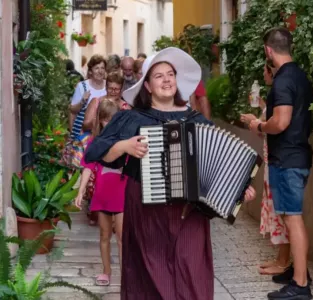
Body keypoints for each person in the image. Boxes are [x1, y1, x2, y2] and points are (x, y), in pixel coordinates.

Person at [84, 47, 256, 299]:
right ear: (148, 87)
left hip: (189, 213)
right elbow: (95, 152)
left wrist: (239, 190)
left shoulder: (197, 121)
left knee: (192, 274)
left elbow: (220, 166)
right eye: (158, 76)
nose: (166, 80)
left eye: (170, 74)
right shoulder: (131, 119)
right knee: (150, 277)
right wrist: (124, 146)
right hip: (146, 211)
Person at [249, 27, 313, 300]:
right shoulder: (300, 76)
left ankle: (300, 286)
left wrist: (259, 125)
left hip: (286, 159)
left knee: (293, 218)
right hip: (296, 155)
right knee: (291, 218)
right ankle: (298, 272)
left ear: (268, 50)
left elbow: (281, 121)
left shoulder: (283, 80)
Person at [241, 62, 290, 276]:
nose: (263, 74)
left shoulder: (281, 92)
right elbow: (267, 125)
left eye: (264, 70)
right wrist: (258, 115)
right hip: (273, 158)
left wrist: (256, 122)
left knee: (282, 212)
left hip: (280, 159)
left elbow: (272, 125)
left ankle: (284, 261)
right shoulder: (274, 95)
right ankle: (281, 258)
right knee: (276, 210)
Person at [75, 99, 127, 287]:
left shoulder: (124, 143)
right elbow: (87, 168)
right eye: (105, 119)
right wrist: (80, 192)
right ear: (100, 121)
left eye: (112, 119)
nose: (109, 123)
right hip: (103, 195)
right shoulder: (95, 143)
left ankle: (125, 275)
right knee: (104, 235)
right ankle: (106, 271)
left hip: (122, 195)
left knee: (122, 237)